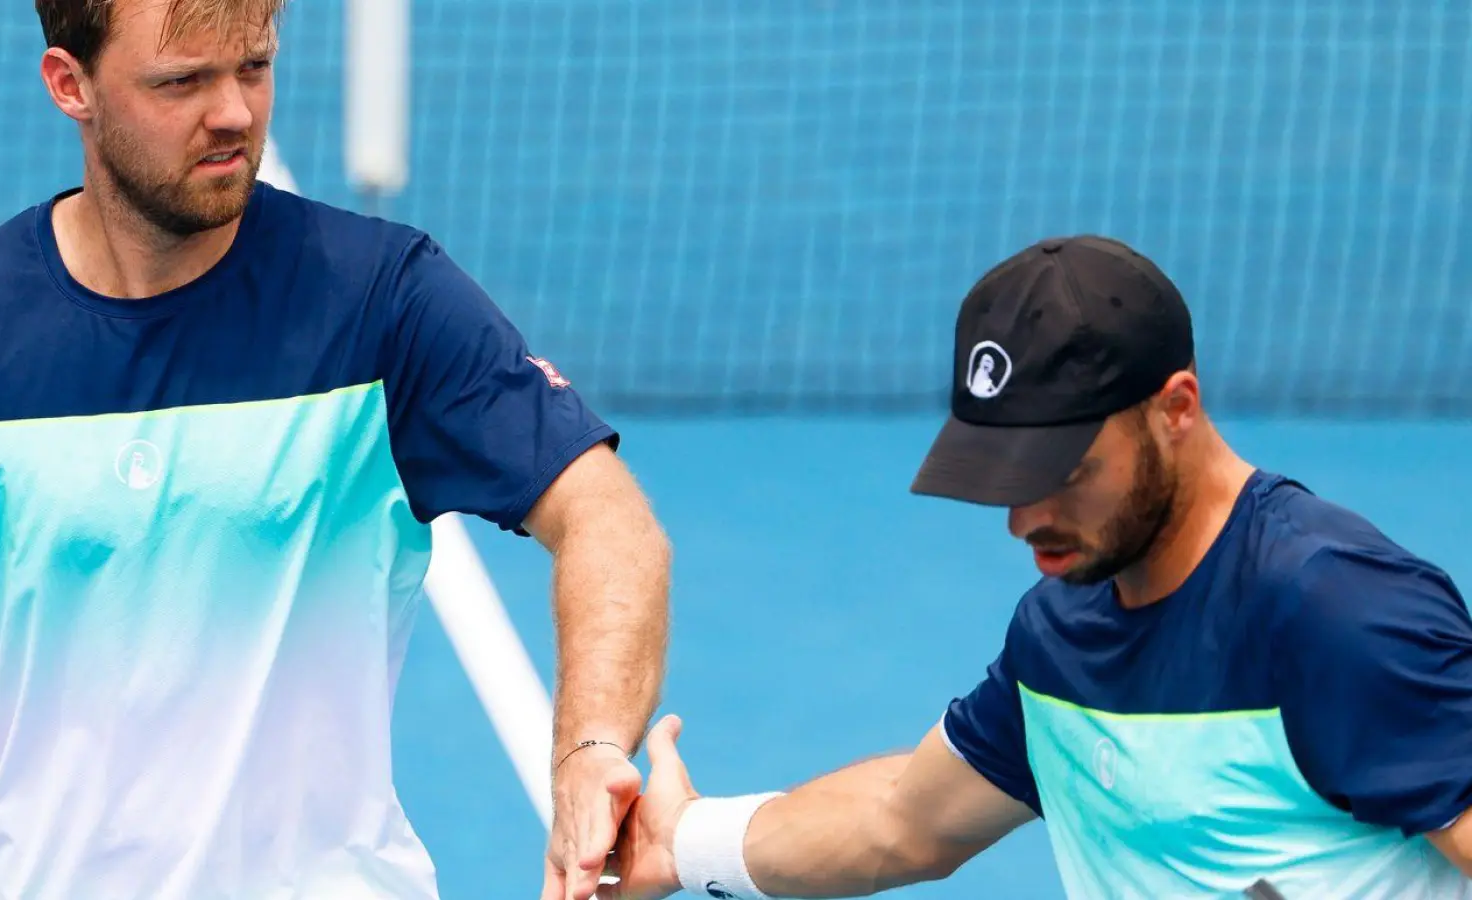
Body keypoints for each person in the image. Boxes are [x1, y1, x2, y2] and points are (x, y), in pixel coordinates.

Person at [0, 1, 669, 898]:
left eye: (253, 67)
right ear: (70, 85)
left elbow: (606, 518)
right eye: (182, 81)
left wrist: (591, 746)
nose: (235, 114)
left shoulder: (383, 302)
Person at [600, 235, 1472, 899]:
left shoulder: (1337, 610)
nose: (1025, 521)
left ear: (1175, 409)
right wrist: (687, 843)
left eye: (1064, 473)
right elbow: (904, 820)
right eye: (1004, 480)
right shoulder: (1062, 631)